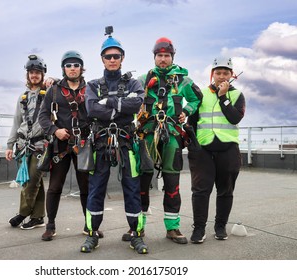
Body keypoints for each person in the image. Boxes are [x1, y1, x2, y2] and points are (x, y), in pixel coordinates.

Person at [124, 37, 202, 244]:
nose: (163, 59)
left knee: (172, 181)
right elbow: (128, 98)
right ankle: (137, 228)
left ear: (172, 57)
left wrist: (186, 111)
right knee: (142, 180)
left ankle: (173, 228)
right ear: (154, 57)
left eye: (167, 56)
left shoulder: (183, 80)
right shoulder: (142, 80)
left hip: (172, 135)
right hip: (147, 135)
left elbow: (197, 98)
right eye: (160, 56)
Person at [80, 27, 148, 254]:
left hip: (126, 141)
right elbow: (91, 109)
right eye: (108, 56)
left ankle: (136, 235)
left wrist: (109, 103)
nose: (112, 59)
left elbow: (137, 104)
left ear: (122, 58)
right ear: (102, 59)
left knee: (132, 187)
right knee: (96, 188)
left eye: (116, 56)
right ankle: (92, 235)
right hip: (100, 142)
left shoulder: (133, 83)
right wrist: (120, 106)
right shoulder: (92, 85)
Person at [38, 51, 103, 241]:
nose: (72, 68)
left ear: (81, 68)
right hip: (61, 144)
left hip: (83, 143)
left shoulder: (91, 88)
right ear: (63, 68)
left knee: (86, 187)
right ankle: (50, 225)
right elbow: (43, 115)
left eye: (76, 65)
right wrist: (54, 130)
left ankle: (89, 225)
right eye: (68, 65)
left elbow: (98, 111)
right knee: (55, 186)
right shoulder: (54, 90)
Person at [188, 57, 245, 244]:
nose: (221, 77)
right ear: (212, 74)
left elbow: (234, 118)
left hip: (228, 149)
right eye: (218, 73)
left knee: (225, 191)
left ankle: (220, 226)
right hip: (203, 149)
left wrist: (223, 98)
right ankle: (199, 229)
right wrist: (192, 144)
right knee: (200, 191)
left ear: (231, 75)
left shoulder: (237, 95)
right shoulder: (201, 94)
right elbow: (192, 121)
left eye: (225, 73)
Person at [7, 54, 48, 230]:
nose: (34, 75)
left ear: (43, 74)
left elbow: (67, 85)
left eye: (38, 72)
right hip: (23, 146)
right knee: (32, 181)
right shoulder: (22, 98)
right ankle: (38, 217)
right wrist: (10, 145)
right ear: (27, 75)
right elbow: (17, 121)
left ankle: (23, 212)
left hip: (40, 146)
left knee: (32, 180)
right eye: (31, 72)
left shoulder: (49, 93)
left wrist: (55, 80)